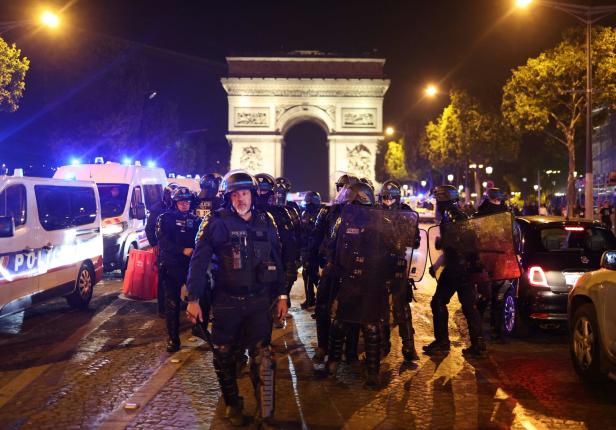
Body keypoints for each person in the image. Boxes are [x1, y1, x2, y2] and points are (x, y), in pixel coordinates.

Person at [185, 171, 287, 428]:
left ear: (252, 194)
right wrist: (193, 298)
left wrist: (283, 294)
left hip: (259, 301)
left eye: (244, 193)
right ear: (228, 197)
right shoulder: (215, 222)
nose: (240, 198)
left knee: (263, 358)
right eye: (235, 194)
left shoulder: (267, 221)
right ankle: (232, 402)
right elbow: (198, 262)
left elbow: (277, 259)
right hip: (226, 301)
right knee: (223, 355)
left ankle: (266, 413)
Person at [326, 181, 403, 387]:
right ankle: (351, 367)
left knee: (358, 324)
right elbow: (332, 247)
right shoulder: (354, 221)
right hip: (360, 280)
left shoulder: (370, 221)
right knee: (353, 323)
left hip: (363, 280)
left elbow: (395, 250)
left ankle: (358, 369)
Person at [424, 185, 487, 357]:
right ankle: (479, 345)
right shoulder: (462, 215)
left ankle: (442, 342)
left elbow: (450, 247)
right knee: (469, 307)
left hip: (455, 268)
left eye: (438, 200)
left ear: (443, 200)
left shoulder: (449, 217)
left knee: (438, 302)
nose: (436, 203)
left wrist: (438, 264)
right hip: (467, 268)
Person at [308, 173, 360, 362]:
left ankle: (351, 349)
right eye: (342, 188)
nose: (345, 192)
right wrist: (311, 263)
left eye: (348, 189)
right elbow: (315, 238)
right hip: (332, 264)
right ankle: (323, 346)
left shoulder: (364, 213)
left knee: (353, 308)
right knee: (322, 306)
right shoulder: (327, 212)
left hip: (354, 266)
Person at [378, 180, 419, 362]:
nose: (387, 201)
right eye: (385, 198)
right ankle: (383, 344)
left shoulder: (406, 213)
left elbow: (415, 239)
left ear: (397, 198)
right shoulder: (374, 213)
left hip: (399, 262)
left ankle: (409, 347)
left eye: (391, 198)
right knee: (380, 307)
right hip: (378, 263)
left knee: (401, 307)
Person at [156, 187, 201, 352]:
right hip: (171, 265)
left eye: (187, 201)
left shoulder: (196, 220)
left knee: (199, 297)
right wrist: (182, 250)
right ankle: (173, 339)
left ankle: (198, 328)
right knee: (172, 303)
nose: (184, 204)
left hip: (191, 266)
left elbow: (202, 241)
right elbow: (163, 242)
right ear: (175, 202)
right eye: (181, 201)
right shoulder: (165, 219)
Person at [255, 173, 300, 315]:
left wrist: (291, 260)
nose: (262, 194)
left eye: (266, 190)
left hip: (275, 260)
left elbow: (289, 238)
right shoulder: (244, 213)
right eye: (259, 190)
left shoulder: (282, 212)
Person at [474, 188, 509, 342]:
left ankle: (498, 331)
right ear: (488, 200)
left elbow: (513, 239)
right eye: (494, 200)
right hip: (484, 263)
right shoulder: (479, 217)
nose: (497, 204)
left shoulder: (507, 218)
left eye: (499, 201)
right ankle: (476, 330)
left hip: (502, 262)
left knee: (499, 298)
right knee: (484, 297)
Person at [145, 182, 178, 317]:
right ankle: (162, 308)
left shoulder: (176, 206)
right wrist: (154, 245)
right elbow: (149, 229)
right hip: (163, 248)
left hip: (176, 248)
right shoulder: (158, 209)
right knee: (163, 278)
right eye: (169, 194)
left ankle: (175, 303)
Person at [299, 191, 322, 309]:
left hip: (310, 250)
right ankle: (311, 299)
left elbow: (307, 234)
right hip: (312, 249)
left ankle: (320, 297)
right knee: (307, 274)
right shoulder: (318, 213)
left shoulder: (310, 214)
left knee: (311, 274)